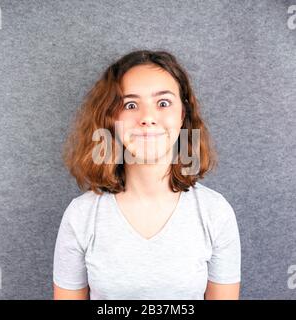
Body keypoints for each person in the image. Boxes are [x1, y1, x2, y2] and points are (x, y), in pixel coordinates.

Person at [53, 50, 241, 300]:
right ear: (111, 119)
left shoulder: (215, 213)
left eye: (163, 103)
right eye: (130, 105)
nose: (148, 118)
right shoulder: (81, 216)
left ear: (182, 114)